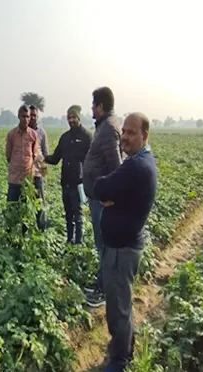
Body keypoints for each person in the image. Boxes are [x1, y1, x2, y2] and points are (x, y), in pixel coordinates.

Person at [93, 113, 157, 372]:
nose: (126, 138)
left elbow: (99, 188)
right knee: (121, 302)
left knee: (118, 308)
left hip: (122, 250)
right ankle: (125, 348)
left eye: (132, 132)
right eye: (124, 132)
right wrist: (112, 195)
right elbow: (108, 189)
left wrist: (108, 194)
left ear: (145, 135)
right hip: (123, 245)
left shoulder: (135, 166)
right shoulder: (138, 161)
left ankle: (119, 361)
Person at [82, 87, 123, 307]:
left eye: (93, 105)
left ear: (100, 106)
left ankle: (105, 290)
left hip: (103, 199)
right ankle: (101, 281)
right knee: (101, 244)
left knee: (105, 245)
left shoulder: (107, 129)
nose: (91, 108)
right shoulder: (105, 126)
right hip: (98, 196)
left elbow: (116, 167)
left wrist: (110, 196)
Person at [45, 105, 92, 244]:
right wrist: (42, 157)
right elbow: (55, 158)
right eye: (69, 118)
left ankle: (78, 243)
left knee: (78, 215)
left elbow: (92, 162)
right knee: (68, 215)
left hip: (78, 183)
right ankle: (69, 240)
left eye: (74, 117)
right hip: (65, 182)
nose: (71, 120)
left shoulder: (87, 137)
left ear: (79, 118)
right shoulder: (65, 137)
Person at [5, 105, 42, 228]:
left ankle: (24, 233)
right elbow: (8, 155)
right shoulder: (11, 135)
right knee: (12, 206)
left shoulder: (34, 135)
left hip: (27, 179)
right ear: (18, 116)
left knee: (25, 209)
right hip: (14, 178)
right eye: (23, 116)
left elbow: (35, 154)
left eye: (28, 116)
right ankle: (11, 235)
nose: (26, 119)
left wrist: (39, 172)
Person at [29, 105, 48, 231]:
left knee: (39, 200)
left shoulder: (41, 133)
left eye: (35, 115)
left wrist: (43, 170)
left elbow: (45, 154)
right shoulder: (21, 132)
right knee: (23, 201)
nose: (32, 118)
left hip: (37, 173)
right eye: (30, 115)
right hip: (24, 173)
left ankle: (41, 227)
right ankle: (23, 229)